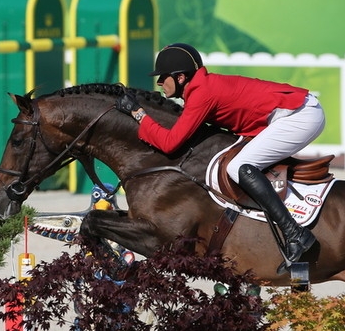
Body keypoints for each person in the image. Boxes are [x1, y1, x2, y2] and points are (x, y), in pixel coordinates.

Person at [115, 43, 326, 273]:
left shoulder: (202, 93)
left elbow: (169, 143)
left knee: (239, 166)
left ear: (181, 77)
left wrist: (138, 114)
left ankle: (296, 234)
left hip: (300, 116)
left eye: (163, 77)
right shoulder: (201, 87)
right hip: (292, 113)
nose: (159, 82)